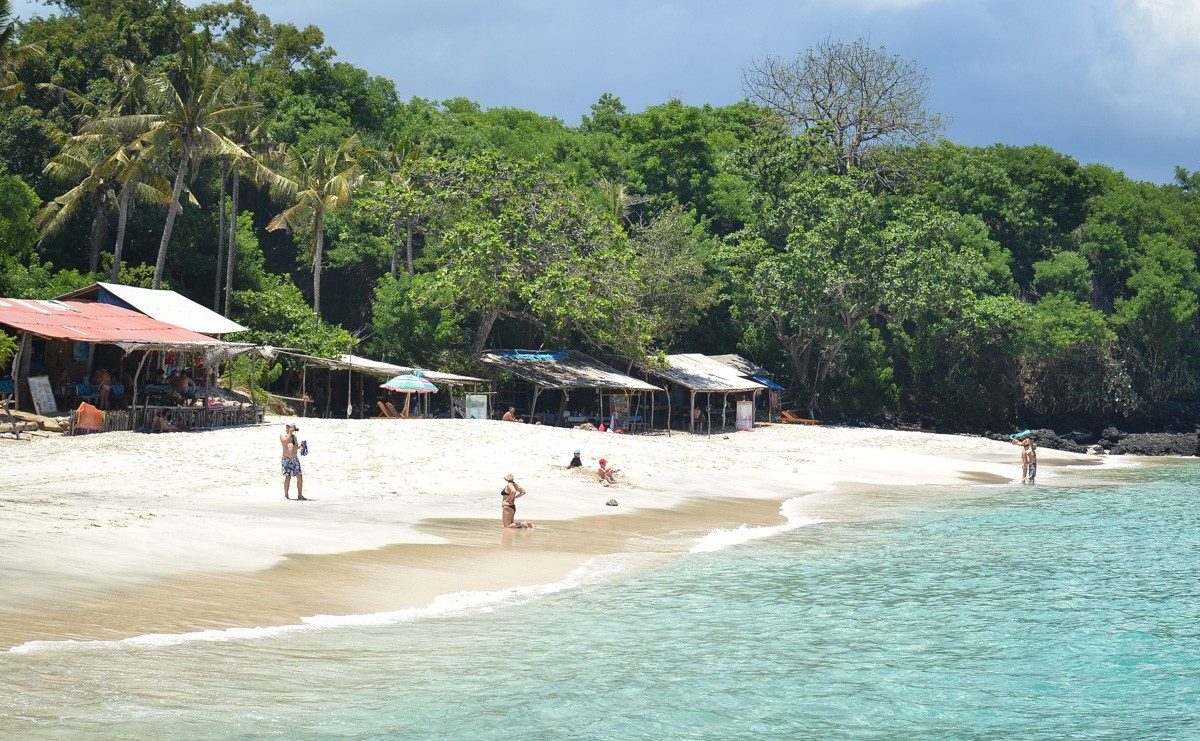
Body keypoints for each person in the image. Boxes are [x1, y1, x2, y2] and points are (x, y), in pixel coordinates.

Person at [280, 422, 307, 500]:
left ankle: (300, 494)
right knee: (287, 477)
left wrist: (301, 446)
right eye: (292, 427)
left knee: (300, 476)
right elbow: (285, 442)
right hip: (286, 459)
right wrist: (290, 433)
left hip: (295, 459)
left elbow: (295, 446)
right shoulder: (283, 434)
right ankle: (286, 495)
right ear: (287, 427)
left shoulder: (294, 436)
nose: (293, 429)